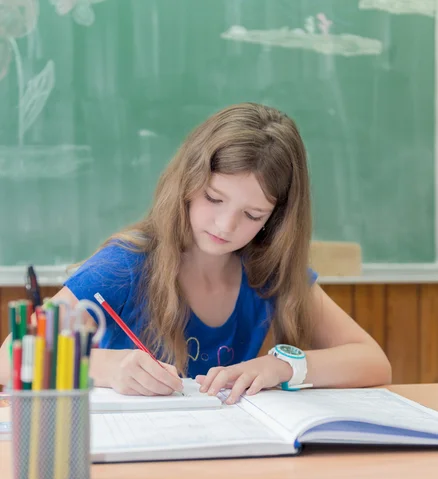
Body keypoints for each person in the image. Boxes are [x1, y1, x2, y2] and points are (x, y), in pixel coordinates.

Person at [0, 103, 391, 403]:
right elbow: (10, 358)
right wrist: (104, 366)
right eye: (213, 198)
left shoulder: (267, 269)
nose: (225, 226)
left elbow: (373, 362)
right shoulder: (126, 265)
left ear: (276, 219)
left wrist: (282, 366)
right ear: (187, 182)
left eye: (252, 214)